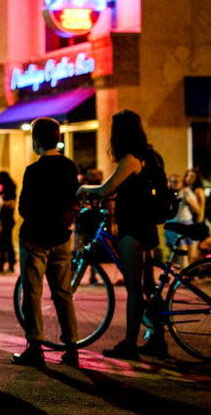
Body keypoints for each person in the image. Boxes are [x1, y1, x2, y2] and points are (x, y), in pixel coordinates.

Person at [78, 109, 169, 360]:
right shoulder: (152, 156)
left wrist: (85, 188)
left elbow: (107, 188)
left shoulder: (130, 159)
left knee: (134, 288)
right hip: (148, 225)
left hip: (134, 227)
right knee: (149, 286)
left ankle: (130, 343)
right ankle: (158, 338)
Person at [10, 118, 80, 368]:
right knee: (63, 293)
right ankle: (72, 347)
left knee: (33, 292)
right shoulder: (69, 166)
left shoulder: (34, 170)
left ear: (36, 141)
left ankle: (35, 345)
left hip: (35, 237)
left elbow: (25, 207)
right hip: (61, 236)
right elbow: (74, 198)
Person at [0, 171, 18, 273]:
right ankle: (6, 264)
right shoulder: (7, 189)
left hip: (6, 220)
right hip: (6, 220)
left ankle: (6, 264)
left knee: (4, 243)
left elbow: (11, 204)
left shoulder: (8, 191)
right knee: (5, 243)